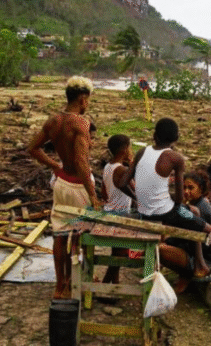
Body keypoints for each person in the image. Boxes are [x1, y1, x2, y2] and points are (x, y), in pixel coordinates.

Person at [120, 118, 211, 298]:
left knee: (194, 214)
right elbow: (181, 198)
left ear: (154, 136)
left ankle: (199, 264)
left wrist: (139, 199)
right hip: (167, 210)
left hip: (144, 211)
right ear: (177, 138)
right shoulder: (175, 158)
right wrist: (172, 204)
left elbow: (122, 183)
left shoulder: (142, 152)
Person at [27, 76, 101, 299]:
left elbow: (32, 147)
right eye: (87, 100)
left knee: (60, 234)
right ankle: (80, 280)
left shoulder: (53, 121)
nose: (87, 104)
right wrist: (93, 196)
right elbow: (81, 163)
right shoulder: (80, 123)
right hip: (78, 186)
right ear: (82, 99)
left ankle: (61, 285)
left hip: (61, 183)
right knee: (80, 234)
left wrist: (56, 166)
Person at [160, 170, 211, 293]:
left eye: (190, 188)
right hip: (192, 252)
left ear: (201, 189)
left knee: (160, 250)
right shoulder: (192, 204)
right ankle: (184, 274)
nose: (186, 191)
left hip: (204, 261)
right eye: (184, 187)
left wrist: (169, 241)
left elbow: (188, 239)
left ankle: (186, 274)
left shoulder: (201, 209)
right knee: (161, 243)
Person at [99, 134, 136, 286]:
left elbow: (103, 192)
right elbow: (136, 190)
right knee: (120, 252)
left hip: (109, 211)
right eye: (130, 147)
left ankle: (114, 283)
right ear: (125, 149)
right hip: (120, 214)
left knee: (117, 251)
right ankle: (106, 282)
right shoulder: (121, 169)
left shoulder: (108, 166)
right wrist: (133, 164)